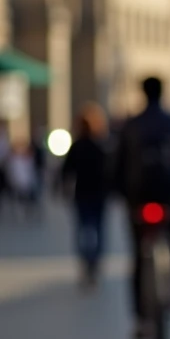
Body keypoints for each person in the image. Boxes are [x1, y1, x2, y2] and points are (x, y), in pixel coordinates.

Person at [113, 76, 170, 338]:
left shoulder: (130, 125)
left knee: (138, 256)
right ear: (162, 93)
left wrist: (121, 195)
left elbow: (117, 163)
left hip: (138, 198)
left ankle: (141, 319)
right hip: (168, 196)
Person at [60, 103, 112, 286]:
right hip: (98, 194)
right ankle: (94, 262)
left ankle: (87, 262)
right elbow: (110, 171)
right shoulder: (102, 146)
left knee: (84, 229)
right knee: (97, 228)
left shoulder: (78, 146)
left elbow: (66, 171)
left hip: (83, 193)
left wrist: (64, 189)